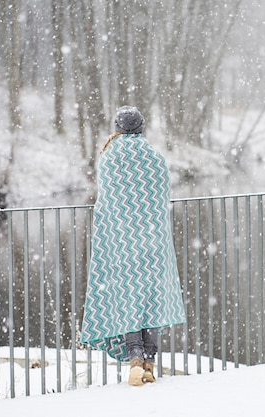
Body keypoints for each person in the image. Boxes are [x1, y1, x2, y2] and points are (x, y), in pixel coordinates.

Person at [81, 106, 186, 386]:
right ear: (141, 128)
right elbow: (161, 199)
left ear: (118, 128)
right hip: (153, 242)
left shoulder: (110, 157)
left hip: (122, 243)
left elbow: (107, 204)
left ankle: (135, 360)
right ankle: (150, 363)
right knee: (151, 301)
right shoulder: (155, 157)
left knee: (129, 300)